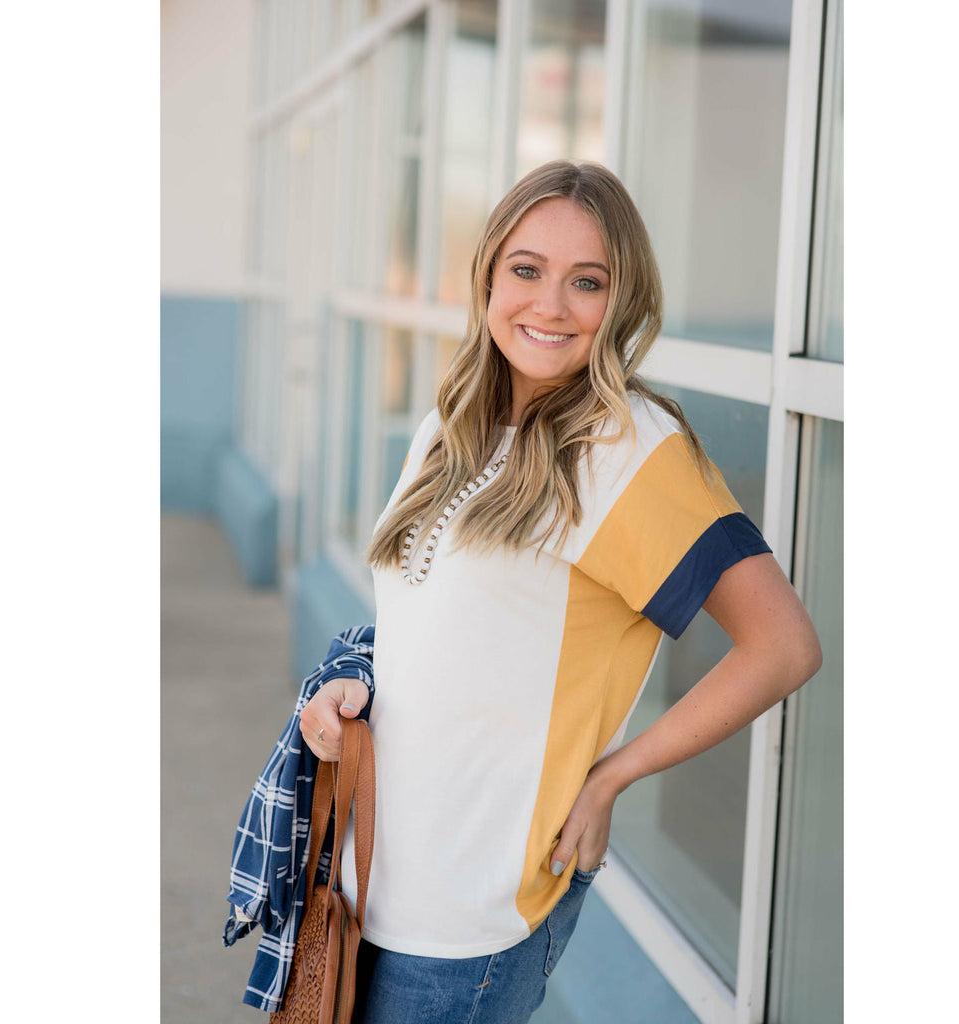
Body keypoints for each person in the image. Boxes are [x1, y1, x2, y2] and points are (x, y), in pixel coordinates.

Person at [299, 160, 822, 1023]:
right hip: (369, 875)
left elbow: (783, 645)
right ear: (490, 275)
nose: (549, 305)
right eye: (527, 270)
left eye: (588, 282)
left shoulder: (628, 450)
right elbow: (431, 627)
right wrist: (349, 695)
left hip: (474, 912)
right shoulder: (449, 428)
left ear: (623, 302)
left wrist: (613, 776)